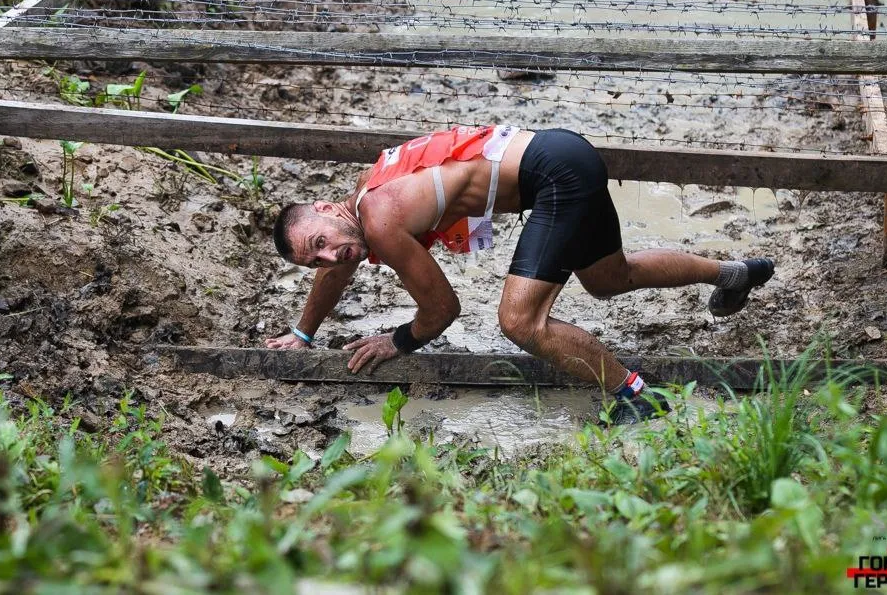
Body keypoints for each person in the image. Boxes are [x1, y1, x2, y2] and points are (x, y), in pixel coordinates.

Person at [266, 125, 774, 424]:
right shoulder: (361, 199)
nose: (329, 259)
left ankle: (638, 396)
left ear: (328, 208)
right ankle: (736, 274)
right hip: (563, 154)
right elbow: (338, 270)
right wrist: (302, 333)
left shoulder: (380, 219)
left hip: (555, 176)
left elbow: (442, 311)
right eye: (316, 261)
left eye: (320, 244)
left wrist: (396, 341)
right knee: (608, 279)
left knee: (519, 322)